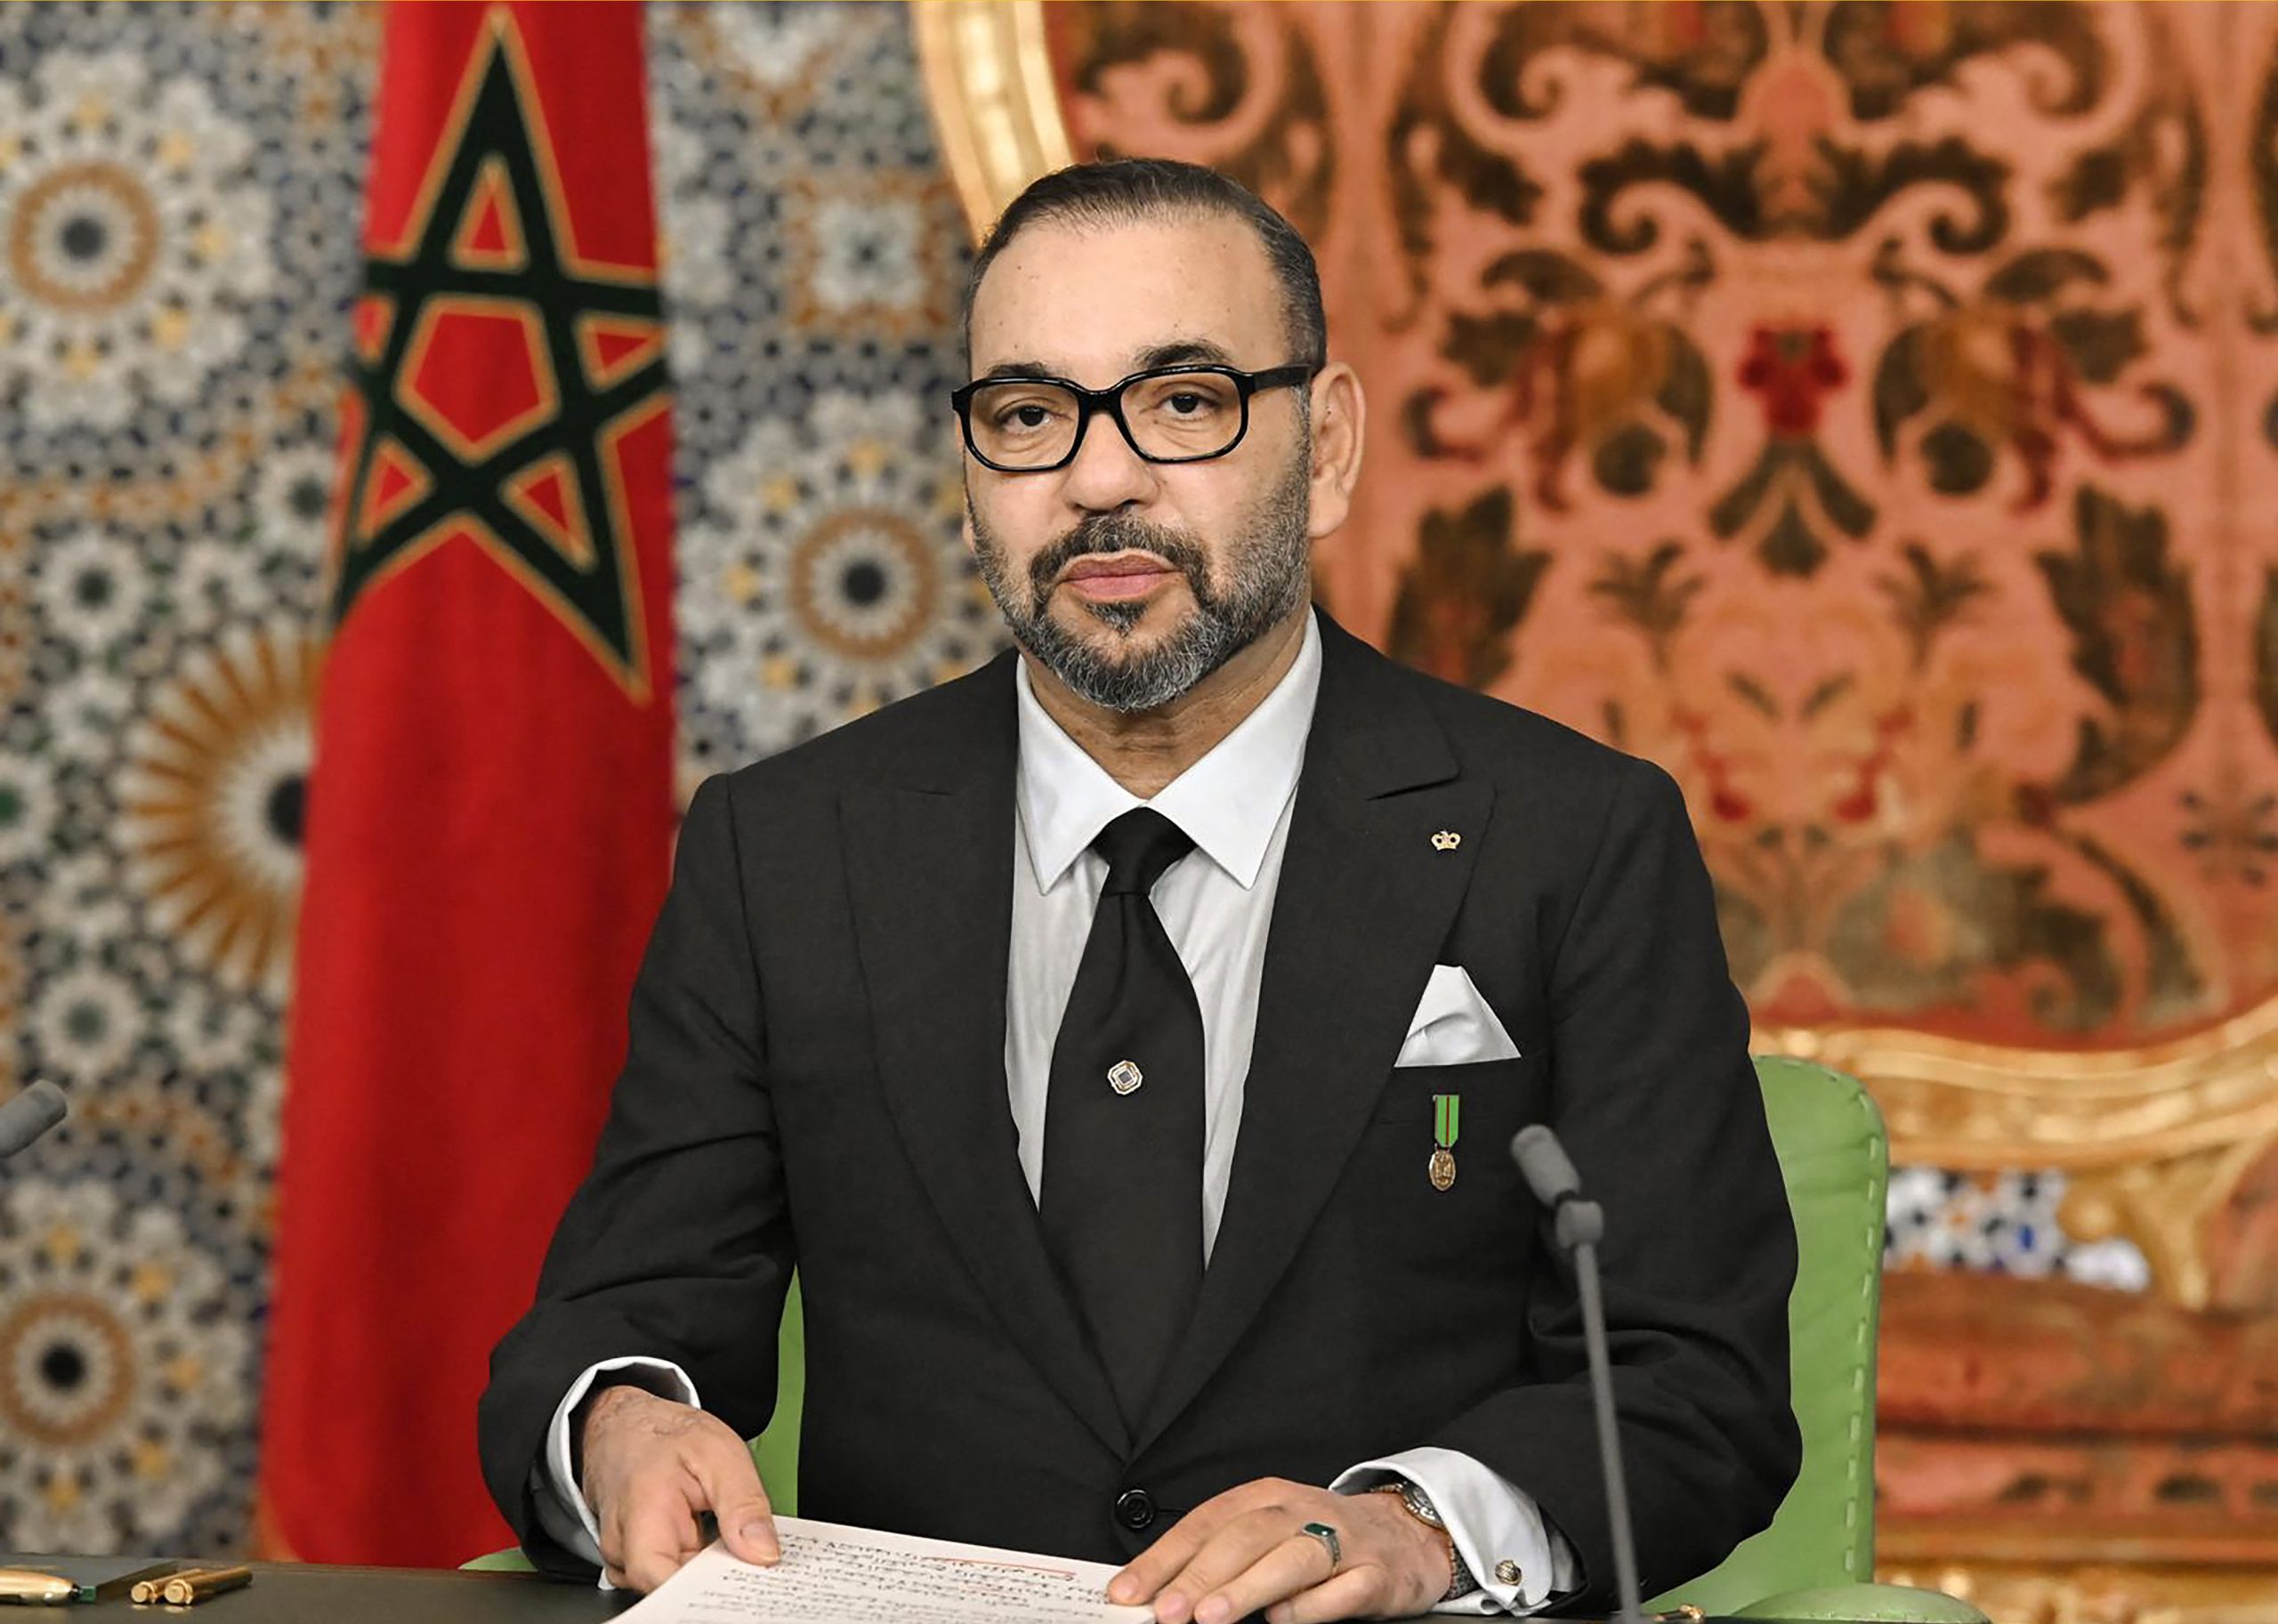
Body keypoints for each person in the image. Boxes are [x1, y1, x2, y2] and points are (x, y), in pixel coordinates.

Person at [479, 158, 1798, 1623]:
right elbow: (621, 1311)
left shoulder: (1573, 839)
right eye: (1029, 416)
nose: (1100, 481)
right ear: (971, 471)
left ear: (1329, 445)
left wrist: (1416, 1525)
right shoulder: (786, 847)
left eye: (1182, 402)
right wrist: (617, 1425)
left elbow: (1696, 1384)